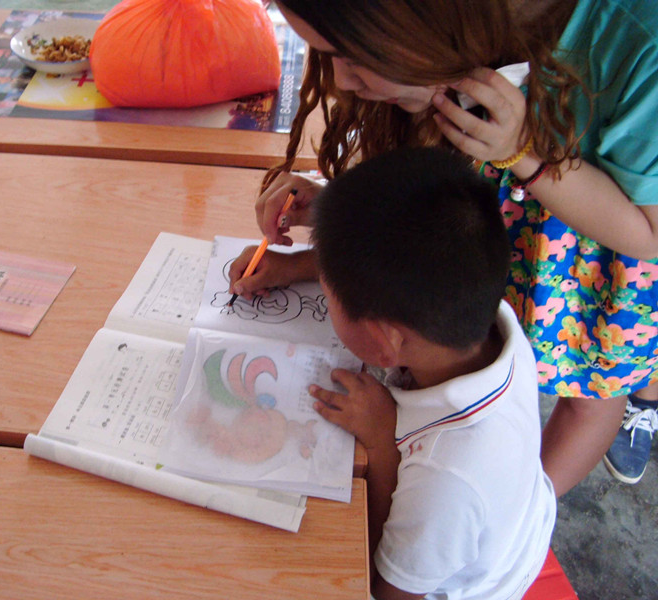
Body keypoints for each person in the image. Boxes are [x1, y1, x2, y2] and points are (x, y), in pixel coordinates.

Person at [231, 0, 658, 494]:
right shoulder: (446, 48)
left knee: (591, 395)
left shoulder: (638, 46)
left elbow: (649, 234)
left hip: (594, 276)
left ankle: (524, 509)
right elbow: (428, 225)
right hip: (488, 245)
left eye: (350, 55)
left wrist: (526, 155)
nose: (341, 81)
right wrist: (334, 218)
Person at [304, 147, 555, 599]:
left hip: (477, 582)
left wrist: (383, 445)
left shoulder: (445, 481)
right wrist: (292, 267)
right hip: (506, 519)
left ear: (386, 343)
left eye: (328, 295)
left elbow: (387, 591)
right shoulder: (479, 312)